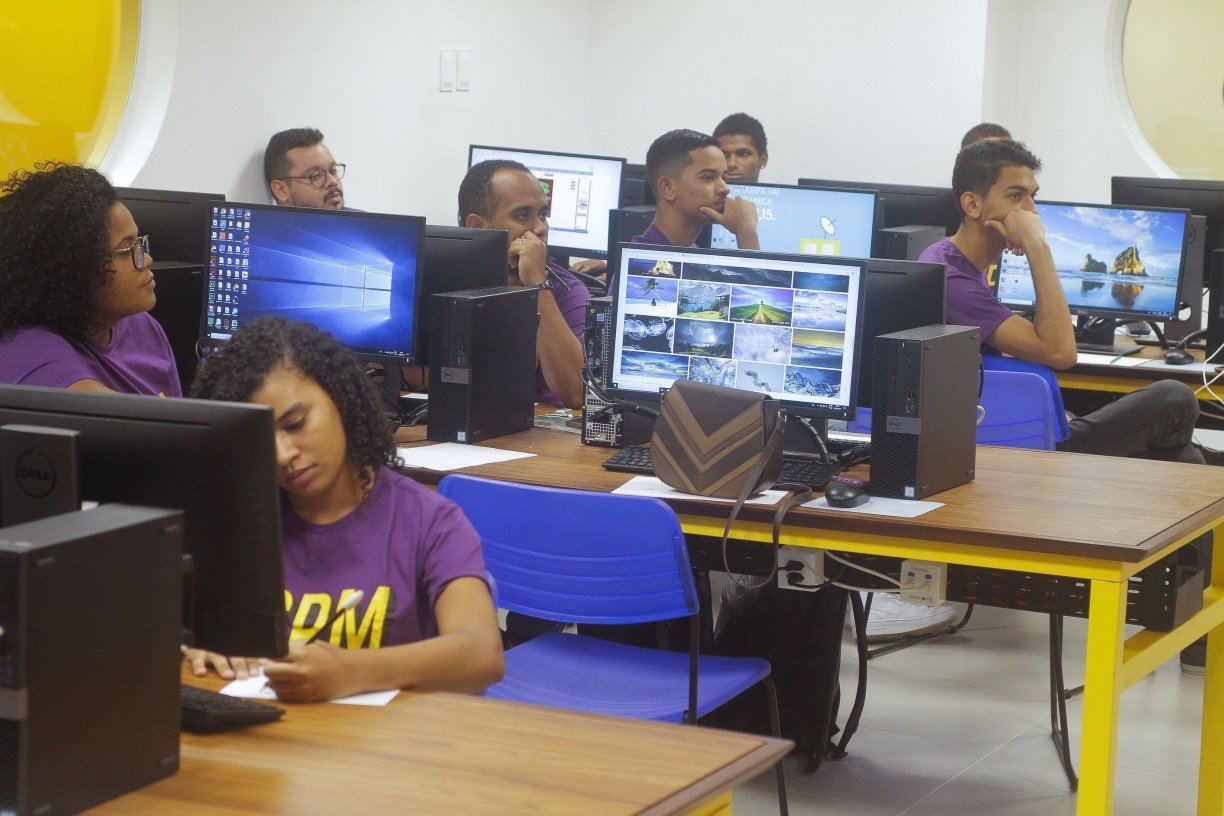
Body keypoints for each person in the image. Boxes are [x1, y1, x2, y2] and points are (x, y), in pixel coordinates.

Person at [185, 317, 503, 701]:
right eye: (256, 438)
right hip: (276, 741)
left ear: (342, 399)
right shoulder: (234, 526)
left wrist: (350, 671)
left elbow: (481, 654)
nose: (283, 455)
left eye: (297, 423)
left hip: (393, 746)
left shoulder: (428, 521)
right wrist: (195, 650)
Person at [0, 162, 180, 396]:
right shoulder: (26, 346)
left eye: (139, 243)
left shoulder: (143, 327)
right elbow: (106, 411)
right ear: (73, 267)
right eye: (126, 251)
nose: (146, 259)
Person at [459, 159, 587, 408]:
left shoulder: (568, 291)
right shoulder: (449, 280)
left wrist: (537, 285)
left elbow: (577, 392)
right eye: (522, 215)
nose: (540, 228)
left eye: (543, 215)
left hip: (539, 437)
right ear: (478, 226)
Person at [634, 129, 760, 250]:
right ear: (668, 188)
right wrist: (746, 231)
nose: (725, 189)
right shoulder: (637, 263)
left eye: (723, 178)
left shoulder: (691, 250)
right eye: (708, 178)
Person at [264, 127, 348, 210]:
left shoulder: (358, 221)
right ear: (281, 190)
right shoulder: (260, 223)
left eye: (333, 170)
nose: (332, 181)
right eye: (316, 175)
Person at [713, 113, 769, 184]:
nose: (731, 164)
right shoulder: (697, 194)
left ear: (763, 160)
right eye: (724, 155)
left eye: (743, 154)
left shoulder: (783, 194)